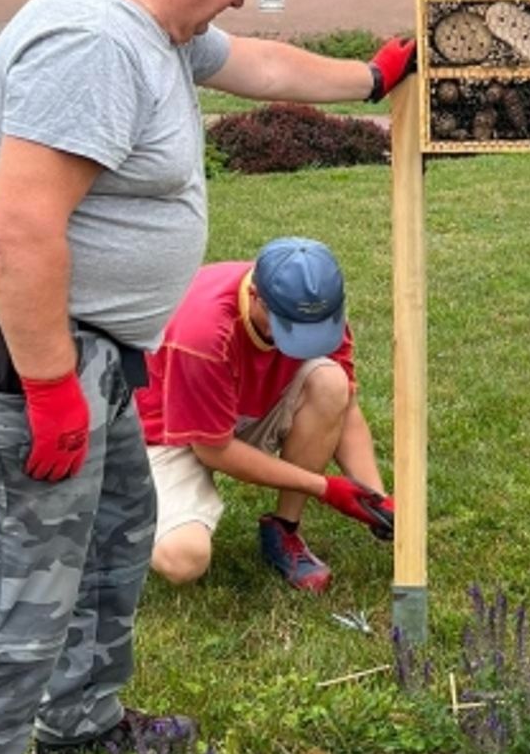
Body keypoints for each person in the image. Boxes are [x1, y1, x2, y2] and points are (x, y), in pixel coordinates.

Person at [0, 0, 418, 754]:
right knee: (12, 600)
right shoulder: (92, 40)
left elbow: (258, 62)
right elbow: (19, 227)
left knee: (108, 552)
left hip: (93, 358)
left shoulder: (157, 30)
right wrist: (54, 386)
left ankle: (83, 730)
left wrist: (370, 77)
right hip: (24, 361)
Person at [139, 237, 393, 593]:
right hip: (169, 431)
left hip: (241, 411)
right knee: (184, 559)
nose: (306, 340)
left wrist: (377, 502)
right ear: (256, 296)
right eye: (289, 329)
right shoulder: (204, 332)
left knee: (331, 382)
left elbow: (344, 408)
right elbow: (213, 449)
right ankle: (116, 506)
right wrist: (325, 488)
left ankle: (283, 530)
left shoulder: (316, 311)